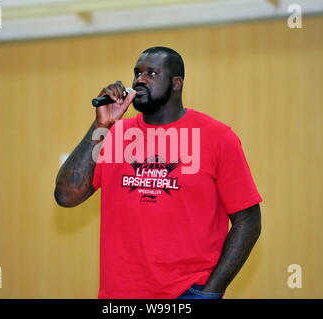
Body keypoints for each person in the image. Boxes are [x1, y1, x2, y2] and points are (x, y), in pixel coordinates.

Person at [54, 47, 263, 299]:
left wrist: (210, 292)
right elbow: (66, 196)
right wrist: (100, 125)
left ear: (176, 83)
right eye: (137, 73)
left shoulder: (218, 138)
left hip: (189, 292)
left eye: (151, 73)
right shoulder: (112, 134)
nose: (140, 80)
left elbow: (248, 221)